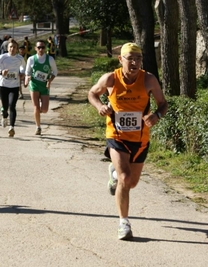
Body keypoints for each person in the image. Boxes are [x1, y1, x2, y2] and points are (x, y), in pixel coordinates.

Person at [87, 42, 168, 240]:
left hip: (140, 139)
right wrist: (100, 106)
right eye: (130, 58)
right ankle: (124, 223)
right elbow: (92, 93)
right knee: (125, 178)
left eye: (138, 58)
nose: (134, 62)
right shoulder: (111, 79)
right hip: (116, 135)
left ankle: (113, 172)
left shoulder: (148, 80)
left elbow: (163, 103)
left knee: (131, 182)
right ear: (120, 59)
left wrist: (156, 115)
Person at [0, 39, 26, 137]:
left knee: (12, 106)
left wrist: (22, 73)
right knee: (5, 107)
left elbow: (23, 67)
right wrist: (1, 72)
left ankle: (12, 127)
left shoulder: (20, 58)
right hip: (3, 85)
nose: (12, 49)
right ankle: (4, 116)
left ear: (17, 49)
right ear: (7, 48)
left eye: (14, 47)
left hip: (14, 86)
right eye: (11, 47)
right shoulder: (2, 57)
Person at [24, 40, 58, 135]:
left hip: (44, 85)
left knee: (44, 110)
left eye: (43, 47)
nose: (41, 49)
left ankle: (39, 110)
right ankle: (38, 127)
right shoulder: (31, 59)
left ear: (45, 48)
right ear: (35, 48)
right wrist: (27, 80)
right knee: (36, 107)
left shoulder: (50, 59)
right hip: (34, 84)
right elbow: (27, 72)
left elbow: (55, 72)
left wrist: (50, 80)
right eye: (39, 47)